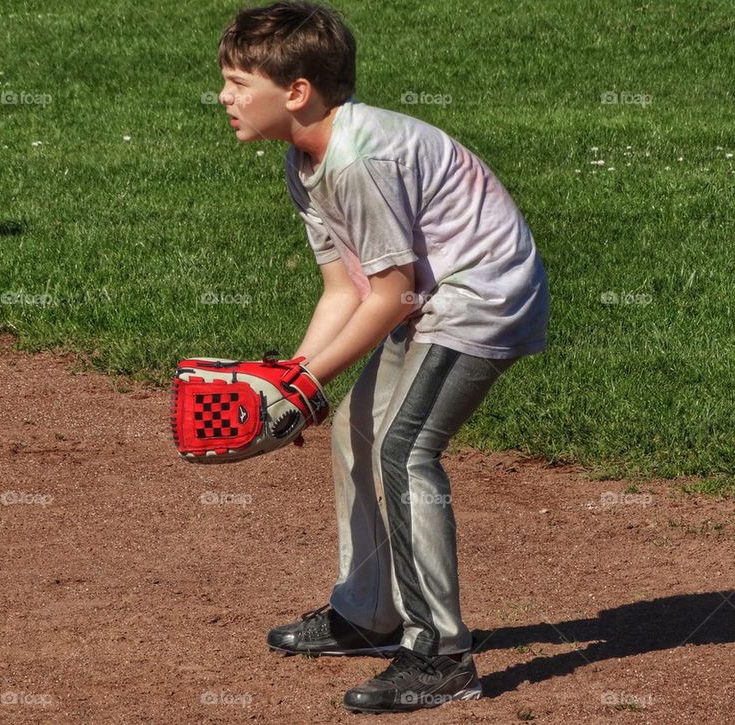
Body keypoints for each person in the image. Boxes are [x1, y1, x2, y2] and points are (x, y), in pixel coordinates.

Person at [216, 1, 550, 713]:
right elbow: (345, 289)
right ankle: (367, 612)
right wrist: (292, 384)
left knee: (406, 449)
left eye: (240, 81)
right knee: (354, 431)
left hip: (483, 292)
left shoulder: (359, 158)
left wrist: (306, 378)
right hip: (429, 291)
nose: (225, 96)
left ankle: (443, 653)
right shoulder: (303, 163)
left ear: (297, 90)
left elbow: (393, 294)